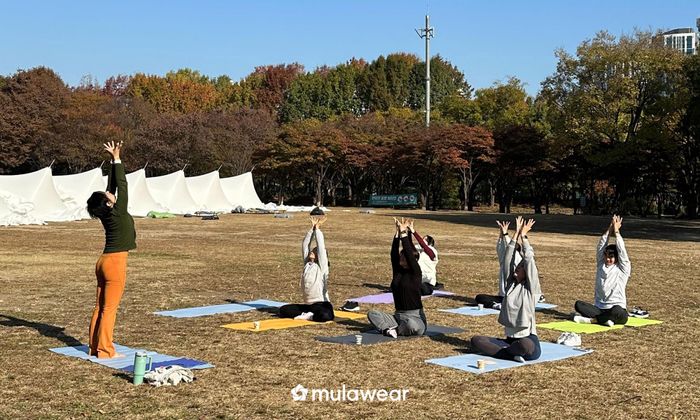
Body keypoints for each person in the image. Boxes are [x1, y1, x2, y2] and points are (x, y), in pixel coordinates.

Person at [85, 141, 136, 359]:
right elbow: (122, 186)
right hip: (115, 263)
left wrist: (113, 159)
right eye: (107, 197)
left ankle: (95, 346)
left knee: (100, 307)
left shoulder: (109, 212)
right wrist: (117, 161)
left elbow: (112, 188)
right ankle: (105, 350)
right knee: (109, 309)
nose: (110, 195)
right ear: (107, 204)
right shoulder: (117, 211)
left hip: (103, 261)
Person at [470, 217, 542, 362]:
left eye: (520, 268)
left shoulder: (531, 289)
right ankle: (510, 354)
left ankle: (507, 353)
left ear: (527, 272)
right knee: (476, 340)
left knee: (524, 345)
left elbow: (529, 260)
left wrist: (524, 236)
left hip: (527, 340)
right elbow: (507, 259)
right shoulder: (511, 284)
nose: (516, 268)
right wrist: (513, 234)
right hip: (509, 340)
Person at [367, 217, 427, 338]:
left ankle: (393, 329)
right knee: (372, 313)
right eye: (401, 256)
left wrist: (405, 233)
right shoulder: (398, 272)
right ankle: (389, 329)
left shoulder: (416, 273)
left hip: (414, 317)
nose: (401, 258)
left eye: (404, 257)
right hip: (398, 316)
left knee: (413, 326)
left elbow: (410, 253)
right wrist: (397, 233)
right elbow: (393, 253)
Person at [572, 215, 630, 327]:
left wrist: (617, 231)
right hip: (600, 309)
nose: (608, 259)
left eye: (611, 256)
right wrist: (610, 228)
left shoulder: (622, 269)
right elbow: (601, 246)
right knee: (578, 305)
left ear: (617, 258)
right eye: (606, 255)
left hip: (616, 308)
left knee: (618, 312)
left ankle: (593, 320)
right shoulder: (601, 265)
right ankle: (604, 319)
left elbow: (622, 251)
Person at [278, 214, 334, 322]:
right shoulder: (307, 264)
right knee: (283, 310)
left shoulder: (322, 267)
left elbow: (321, 247)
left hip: (322, 304)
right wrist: (311, 230)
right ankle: (308, 314)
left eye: (315, 251)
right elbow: (305, 244)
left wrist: (317, 230)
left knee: (326, 315)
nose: (312, 251)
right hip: (308, 305)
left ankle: (310, 316)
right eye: (312, 250)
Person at [474, 220, 522, 309]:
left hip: (514, 296)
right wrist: (501, 233)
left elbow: (510, 247)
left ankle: (504, 305)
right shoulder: (504, 260)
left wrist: (507, 233)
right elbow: (500, 247)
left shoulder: (518, 260)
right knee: (479, 297)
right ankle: (497, 305)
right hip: (503, 297)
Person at [408, 221, 441, 295]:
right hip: (418, 279)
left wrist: (413, 231)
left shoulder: (432, 251)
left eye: (424, 239)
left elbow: (424, 246)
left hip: (428, 282)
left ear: (430, 243)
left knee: (421, 288)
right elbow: (410, 246)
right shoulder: (420, 250)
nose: (422, 240)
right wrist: (409, 232)